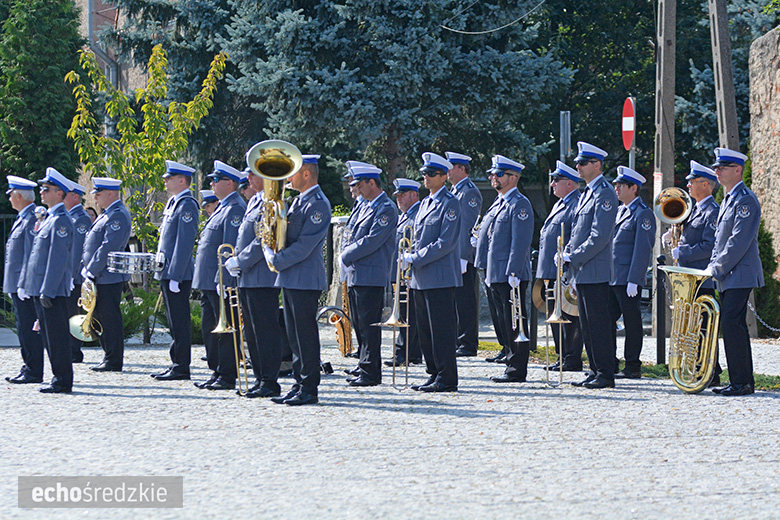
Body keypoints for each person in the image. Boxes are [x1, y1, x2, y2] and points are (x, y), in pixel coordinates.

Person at [266, 154, 331, 406]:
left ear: (306, 174)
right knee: (294, 336)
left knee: (305, 335)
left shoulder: (318, 204)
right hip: (291, 277)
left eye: (292, 172)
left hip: (304, 278)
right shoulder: (298, 202)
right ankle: (298, 382)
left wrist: (276, 260)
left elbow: (305, 246)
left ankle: (309, 388)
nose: (288, 178)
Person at [705, 147, 763, 396]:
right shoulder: (729, 199)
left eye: (722, 167)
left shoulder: (745, 200)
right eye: (716, 167)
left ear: (738, 170)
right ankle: (741, 380)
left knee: (731, 322)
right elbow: (720, 241)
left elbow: (737, 242)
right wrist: (713, 266)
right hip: (729, 274)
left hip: (739, 273)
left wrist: (716, 268)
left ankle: (742, 382)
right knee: (732, 324)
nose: (717, 171)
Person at [561, 142, 618, 389]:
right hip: (583, 270)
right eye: (578, 163)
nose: (578, 167)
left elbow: (599, 236)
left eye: (583, 163)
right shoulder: (587, 193)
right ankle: (594, 369)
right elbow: (578, 231)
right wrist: (567, 254)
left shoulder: (604, 192)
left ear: (597, 165)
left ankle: (605, 373)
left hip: (595, 269)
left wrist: (573, 257)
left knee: (598, 324)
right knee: (587, 324)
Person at [224, 167, 285, 399]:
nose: (248, 178)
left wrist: (240, 260)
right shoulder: (255, 201)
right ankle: (260, 378)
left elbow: (265, 238)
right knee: (252, 331)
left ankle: (269, 381)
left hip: (262, 276)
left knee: (265, 331)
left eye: (253, 174)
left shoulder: (271, 202)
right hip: (248, 276)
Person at [404, 152, 461, 393]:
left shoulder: (450, 203)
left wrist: (415, 257)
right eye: (424, 173)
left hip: (439, 276)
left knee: (441, 331)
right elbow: (417, 237)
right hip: (421, 277)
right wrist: (408, 256)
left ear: (444, 176)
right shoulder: (425, 203)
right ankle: (433, 372)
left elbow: (445, 242)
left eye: (431, 174)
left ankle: (447, 377)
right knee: (425, 330)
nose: (425, 177)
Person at [664, 160, 722, 385]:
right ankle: (698, 367)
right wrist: (672, 236)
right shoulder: (694, 209)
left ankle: (710, 371)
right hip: (689, 276)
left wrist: (683, 251)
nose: (688, 185)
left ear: (706, 185)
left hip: (701, 278)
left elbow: (710, 246)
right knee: (691, 326)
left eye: (692, 182)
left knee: (703, 327)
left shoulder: (712, 211)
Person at [477, 155, 534, 384]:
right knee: (503, 322)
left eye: (499, 174)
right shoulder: (499, 202)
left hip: (510, 274)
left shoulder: (519, 204)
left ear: (513, 177)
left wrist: (513, 272)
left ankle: (516, 369)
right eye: (492, 174)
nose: (493, 178)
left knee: (514, 322)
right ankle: (510, 362)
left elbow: (520, 243)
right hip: (496, 272)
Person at [341, 165, 398, 386]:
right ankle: (364, 363)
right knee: (359, 323)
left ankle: (371, 372)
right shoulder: (366, 206)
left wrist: (347, 255)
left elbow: (372, 240)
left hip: (371, 274)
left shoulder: (386, 208)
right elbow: (353, 235)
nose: (356, 188)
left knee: (369, 325)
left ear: (371, 183)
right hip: (357, 272)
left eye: (359, 184)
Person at [18, 168, 74, 393]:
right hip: (41, 287)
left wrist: (48, 290)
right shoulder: (49, 218)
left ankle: (62, 380)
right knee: (49, 336)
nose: (42, 192)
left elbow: (57, 259)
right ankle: (57, 377)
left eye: (47, 189)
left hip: (52, 290)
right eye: (42, 188)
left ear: (59, 193)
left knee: (56, 336)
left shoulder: (61, 220)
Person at [192, 161, 247, 390]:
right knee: (211, 328)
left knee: (226, 331)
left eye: (216, 180)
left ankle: (227, 374)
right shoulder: (224, 207)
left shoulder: (235, 208)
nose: (212, 184)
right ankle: (217, 371)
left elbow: (229, 247)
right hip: (209, 280)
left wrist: (224, 280)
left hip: (220, 281)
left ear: (230, 183)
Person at [151, 160, 199, 382]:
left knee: (179, 321)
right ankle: (176, 363)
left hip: (177, 274)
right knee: (173, 321)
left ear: (182, 180)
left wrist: (176, 275)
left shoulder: (187, 204)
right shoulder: (174, 202)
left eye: (169, 178)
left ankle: (181, 366)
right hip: (167, 271)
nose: (165, 181)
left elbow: (184, 243)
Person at [81, 177, 132, 372]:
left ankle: (113, 360)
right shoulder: (108, 214)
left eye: (98, 193)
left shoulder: (117, 215)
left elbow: (108, 247)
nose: (95, 197)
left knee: (109, 318)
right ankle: (109, 356)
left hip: (108, 276)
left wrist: (91, 270)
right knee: (101, 317)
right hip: (101, 276)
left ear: (111, 193)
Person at [608, 166, 655, 379]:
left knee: (632, 323)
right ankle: (610, 362)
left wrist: (635, 279)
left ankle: (633, 365)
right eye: (616, 185)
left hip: (628, 279)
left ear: (633, 188)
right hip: (613, 277)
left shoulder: (642, 213)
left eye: (621, 185)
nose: (616, 188)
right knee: (608, 320)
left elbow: (642, 249)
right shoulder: (620, 211)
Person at [536, 161, 583, 372]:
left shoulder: (575, 204)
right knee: (555, 314)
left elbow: (575, 236)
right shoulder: (561, 203)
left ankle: (572, 358)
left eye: (557, 180)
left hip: (565, 272)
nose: (552, 184)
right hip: (552, 271)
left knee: (569, 317)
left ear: (570, 183)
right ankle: (562, 355)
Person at [3, 175, 45, 384]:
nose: (9, 198)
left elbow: (31, 255)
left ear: (18, 196)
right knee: (23, 327)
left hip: (24, 285)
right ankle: (28, 365)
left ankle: (33, 370)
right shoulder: (25, 217)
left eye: (11, 194)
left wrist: (24, 284)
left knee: (29, 328)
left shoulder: (30, 219)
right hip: (19, 284)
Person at [446, 151, 482, 357]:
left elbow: (467, 227)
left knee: (465, 300)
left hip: (463, 256)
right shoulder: (455, 191)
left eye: (451, 167)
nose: (448, 171)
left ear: (462, 168)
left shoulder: (469, 192)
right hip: (453, 255)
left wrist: (463, 256)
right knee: (455, 300)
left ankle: (467, 343)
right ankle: (458, 340)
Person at [385, 178, 423, 367]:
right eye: (397, 196)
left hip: (409, 273)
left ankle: (402, 353)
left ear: (414, 195)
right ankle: (413, 353)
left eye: (403, 195)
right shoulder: (404, 216)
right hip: (400, 272)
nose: (399, 199)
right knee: (407, 313)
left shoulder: (417, 215)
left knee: (408, 315)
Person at [63, 179, 92, 363]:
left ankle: (74, 351)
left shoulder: (81, 218)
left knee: (73, 313)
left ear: (75, 197)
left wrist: (72, 276)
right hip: (68, 275)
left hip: (74, 277)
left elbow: (77, 251)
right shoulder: (70, 216)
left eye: (65, 195)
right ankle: (69, 349)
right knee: (67, 313)